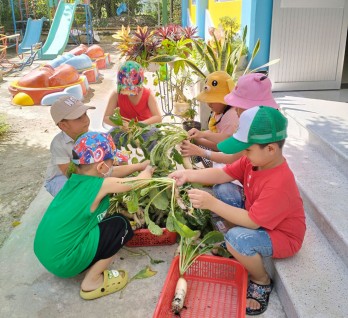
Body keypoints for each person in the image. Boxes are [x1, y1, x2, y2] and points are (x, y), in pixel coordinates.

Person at [169, 106, 306, 315]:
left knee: (237, 238)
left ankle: (261, 280)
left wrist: (212, 204)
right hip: (259, 218)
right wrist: (188, 175)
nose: (243, 153)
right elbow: (222, 175)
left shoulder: (280, 182)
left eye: (248, 149)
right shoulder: (254, 162)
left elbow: (252, 222)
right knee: (224, 188)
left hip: (282, 235)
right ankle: (236, 245)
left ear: (270, 149)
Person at [34, 132, 154, 300]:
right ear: (101, 167)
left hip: (47, 254)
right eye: (112, 160)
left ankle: (84, 261)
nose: (114, 164)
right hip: (65, 262)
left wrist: (139, 166)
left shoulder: (75, 180)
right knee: (120, 225)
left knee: (105, 221)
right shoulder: (100, 185)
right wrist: (148, 170)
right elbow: (138, 182)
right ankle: (92, 281)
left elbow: (113, 173)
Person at [181, 72, 279, 166]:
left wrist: (200, 149)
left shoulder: (255, 135)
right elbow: (228, 140)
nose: (235, 108)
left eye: (239, 105)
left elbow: (231, 157)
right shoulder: (253, 127)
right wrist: (202, 135)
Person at [180, 71, 239, 167]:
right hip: (222, 150)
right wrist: (199, 134)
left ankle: (208, 166)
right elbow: (214, 132)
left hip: (227, 156)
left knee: (199, 144)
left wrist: (198, 140)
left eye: (213, 100)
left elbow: (223, 145)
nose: (209, 104)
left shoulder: (231, 115)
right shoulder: (220, 111)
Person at [44, 95, 95, 197]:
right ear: (63, 125)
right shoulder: (58, 144)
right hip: (59, 179)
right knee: (76, 196)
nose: (86, 120)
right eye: (79, 117)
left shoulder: (90, 135)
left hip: (84, 174)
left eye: (85, 114)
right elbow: (68, 173)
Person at [103, 60, 162, 149]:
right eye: (125, 89)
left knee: (153, 135)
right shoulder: (116, 94)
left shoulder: (148, 94)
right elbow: (106, 117)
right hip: (124, 130)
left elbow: (158, 117)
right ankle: (117, 159)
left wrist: (139, 125)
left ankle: (150, 160)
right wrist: (121, 124)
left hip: (144, 129)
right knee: (108, 139)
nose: (129, 92)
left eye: (132, 89)